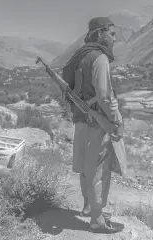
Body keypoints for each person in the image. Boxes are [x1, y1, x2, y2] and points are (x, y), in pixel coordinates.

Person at [64, 17, 125, 233]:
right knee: (98, 171)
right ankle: (98, 221)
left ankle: (88, 206)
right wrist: (116, 120)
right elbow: (105, 95)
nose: (115, 39)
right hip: (98, 122)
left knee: (84, 166)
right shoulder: (99, 58)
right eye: (112, 34)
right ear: (100, 34)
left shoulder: (80, 57)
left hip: (82, 119)